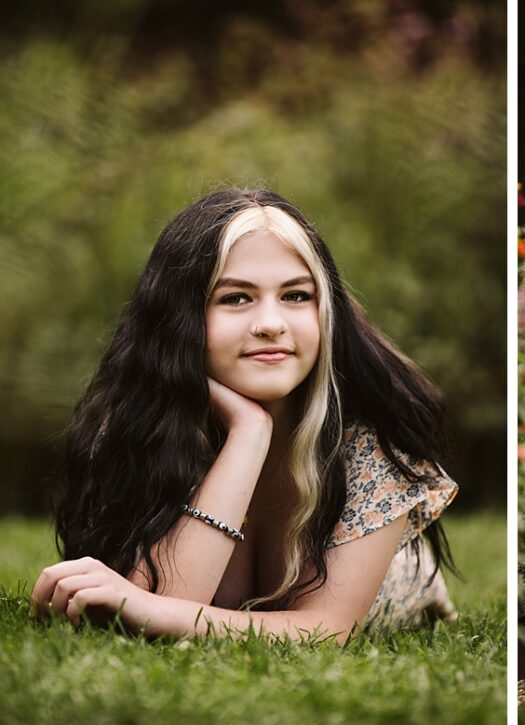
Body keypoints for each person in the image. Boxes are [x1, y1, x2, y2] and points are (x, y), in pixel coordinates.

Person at [30, 187, 459, 644]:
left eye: (296, 296)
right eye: (235, 298)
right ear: (182, 320)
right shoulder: (137, 428)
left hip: (399, 581)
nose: (271, 323)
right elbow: (160, 606)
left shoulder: (368, 436)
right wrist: (248, 434)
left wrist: (149, 608)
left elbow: (329, 630)